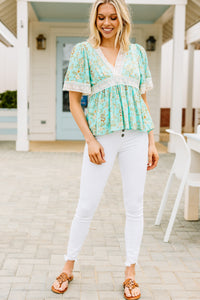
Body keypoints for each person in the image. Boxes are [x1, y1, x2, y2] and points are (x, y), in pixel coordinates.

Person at [51, 0, 159, 299]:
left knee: (134, 207)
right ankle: (68, 268)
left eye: (113, 17)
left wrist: (151, 141)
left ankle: (130, 273)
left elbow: (142, 100)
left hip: (136, 136)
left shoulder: (137, 52)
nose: (107, 23)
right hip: (103, 138)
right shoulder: (83, 52)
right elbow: (74, 103)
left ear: (122, 19)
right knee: (86, 205)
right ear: (95, 20)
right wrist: (91, 140)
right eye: (101, 17)